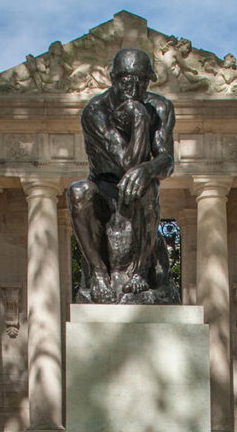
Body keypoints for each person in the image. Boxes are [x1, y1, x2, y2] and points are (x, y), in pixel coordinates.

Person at [67, 47, 177, 304]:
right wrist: (139, 119)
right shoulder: (95, 111)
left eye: (142, 80)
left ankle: (140, 270)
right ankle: (97, 272)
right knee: (78, 191)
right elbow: (125, 163)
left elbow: (166, 160)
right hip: (104, 190)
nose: (135, 86)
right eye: (127, 79)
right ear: (114, 78)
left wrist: (148, 169)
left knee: (146, 185)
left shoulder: (161, 107)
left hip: (139, 186)